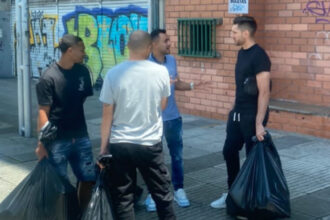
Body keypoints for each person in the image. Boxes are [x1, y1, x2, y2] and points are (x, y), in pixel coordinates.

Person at [99, 30, 176, 220]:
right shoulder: (161, 72)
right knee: (162, 195)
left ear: (127, 47)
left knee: (123, 197)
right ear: (149, 48)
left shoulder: (113, 74)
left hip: (120, 143)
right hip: (149, 143)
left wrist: (103, 149)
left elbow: (107, 113)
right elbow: (163, 105)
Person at [144, 29, 209, 211]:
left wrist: (192, 85)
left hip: (173, 117)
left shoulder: (171, 60)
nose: (169, 44)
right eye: (166, 41)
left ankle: (179, 189)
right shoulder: (145, 64)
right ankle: (153, 193)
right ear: (154, 43)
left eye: (169, 40)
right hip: (153, 120)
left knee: (177, 156)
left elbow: (176, 82)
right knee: (153, 159)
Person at [210, 16, 271, 209]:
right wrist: (233, 107)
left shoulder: (259, 55)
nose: (231, 35)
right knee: (229, 151)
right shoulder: (241, 53)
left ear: (246, 33)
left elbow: (264, 91)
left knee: (252, 157)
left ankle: (252, 199)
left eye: (234, 32)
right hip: (238, 113)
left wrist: (259, 122)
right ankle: (233, 193)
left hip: (252, 116)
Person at [35, 34, 96, 212]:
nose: (84, 53)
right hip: (57, 140)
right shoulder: (48, 77)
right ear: (70, 50)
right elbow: (42, 112)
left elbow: (81, 99)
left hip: (80, 135)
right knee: (58, 184)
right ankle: (61, 214)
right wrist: (41, 144)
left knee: (87, 178)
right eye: (81, 49)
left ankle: (82, 213)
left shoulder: (83, 72)